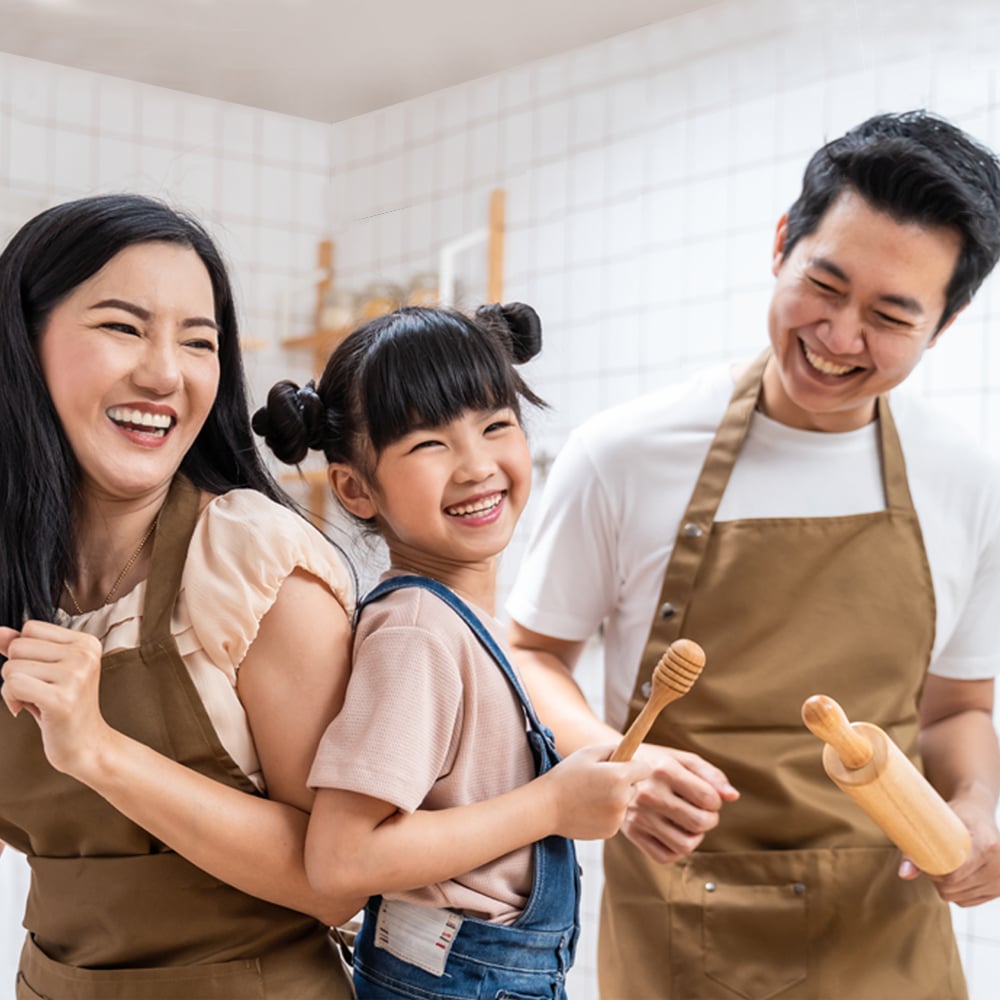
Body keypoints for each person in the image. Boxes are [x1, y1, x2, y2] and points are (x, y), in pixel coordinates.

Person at [506, 109, 1000, 999]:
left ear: (948, 322)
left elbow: (957, 709)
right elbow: (533, 654)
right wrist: (620, 757)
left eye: (891, 315)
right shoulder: (625, 453)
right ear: (782, 243)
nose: (840, 338)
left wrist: (974, 810)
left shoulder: (966, 479)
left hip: (886, 938)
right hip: (681, 928)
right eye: (826, 285)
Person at [0, 193, 362, 999]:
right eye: (124, 327)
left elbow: (338, 880)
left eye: (200, 342)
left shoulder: (253, 563)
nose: (166, 373)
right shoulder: (17, 571)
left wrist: (96, 749)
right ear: (24, 343)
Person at [254, 302, 651, 999]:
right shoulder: (417, 630)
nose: (476, 466)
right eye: (428, 444)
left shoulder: (457, 621)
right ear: (354, 486)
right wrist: (551, 808)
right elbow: (340, 859)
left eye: (496, 426)